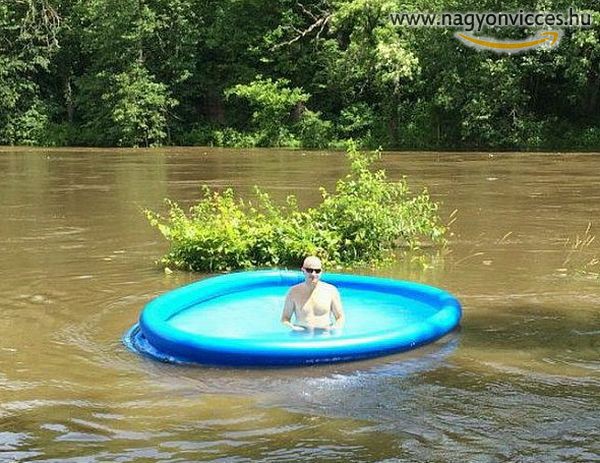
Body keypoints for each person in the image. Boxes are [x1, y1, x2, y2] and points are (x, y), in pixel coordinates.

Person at [281, 256, 345, 332]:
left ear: (321, 272)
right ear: (303, 270)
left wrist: (335, 328)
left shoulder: (331, 291)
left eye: (317, 271)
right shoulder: (293, 292)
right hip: (301, 335)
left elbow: (340, 317)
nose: (313, 274)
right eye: (309, 270)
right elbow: (285, 319)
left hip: (325, 334)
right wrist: (293, 328)